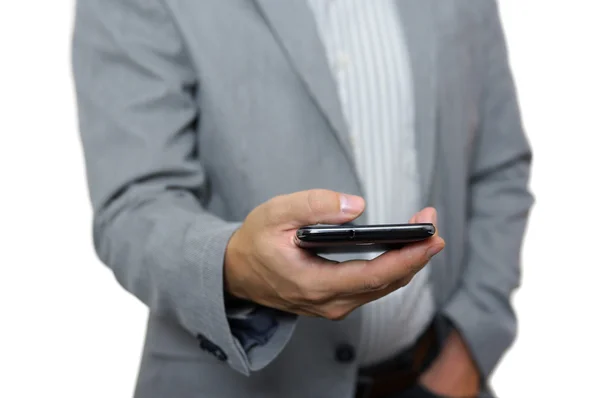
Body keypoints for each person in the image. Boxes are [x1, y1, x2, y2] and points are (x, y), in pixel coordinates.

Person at [72, 0, 533, 397]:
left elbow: (500, 168)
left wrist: (466, 353)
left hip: (433, 375)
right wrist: (236, 264)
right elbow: (135, 205)